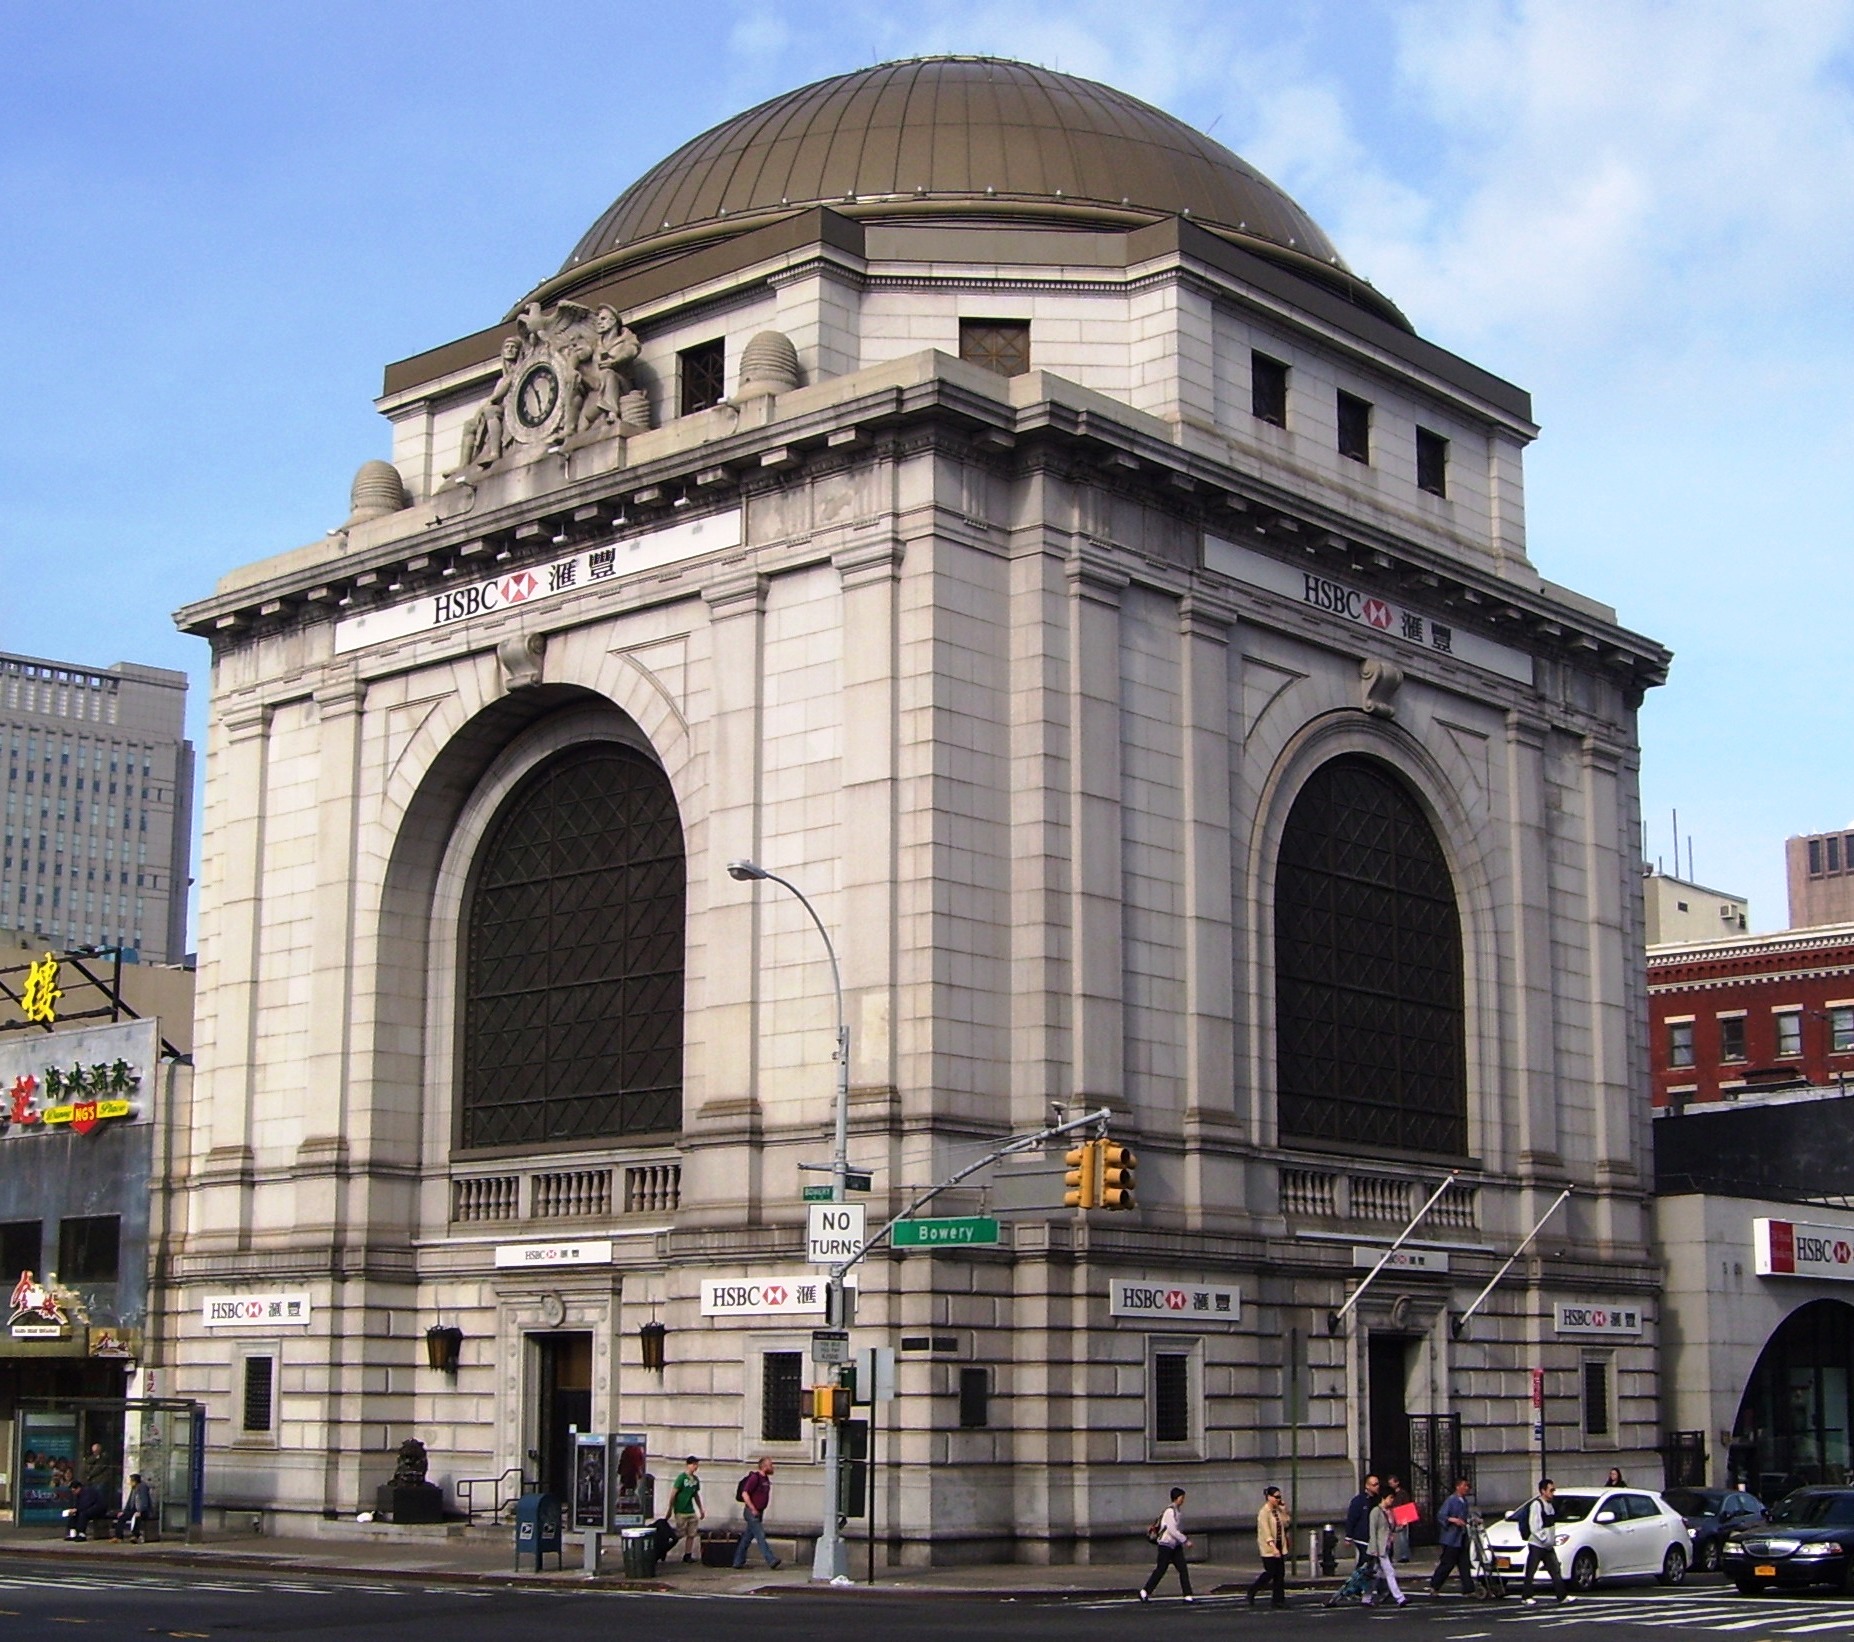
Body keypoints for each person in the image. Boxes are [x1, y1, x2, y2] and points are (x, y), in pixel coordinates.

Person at [1517, 1478, 1570, 1605]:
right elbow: (1535, 1526)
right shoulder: (1537, 1505)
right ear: (1543, 1491)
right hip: (1537, 1544)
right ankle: (1526, 1596)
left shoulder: (1550, 1505)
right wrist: (1544, 1539)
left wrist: (1550, 1541)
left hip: (1547, 1545)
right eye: (1550, 1490)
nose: (1553, 1493)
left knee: (1555, 1570)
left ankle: (1562, 1596)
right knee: (1531, 1571)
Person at [1139, 1486, 1193, 1602]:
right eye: (1181, 1497)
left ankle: (1188, 1595)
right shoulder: (1170, 1511)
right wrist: (1185, 1540)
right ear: (1176, 1498)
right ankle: (1145, 1591)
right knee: (1161, 1569)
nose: (1183, 1500)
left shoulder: (1178, 1511)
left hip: (1175, 1545)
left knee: (1183, 1569)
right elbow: (1172, 1530)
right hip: (1166, 1545)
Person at [731, 1456, 780, 1570]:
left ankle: (738, 1561)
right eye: (770, 1464)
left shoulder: (766, 1479)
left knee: (747, 1537)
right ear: (764, 1466)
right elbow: (745, 1493)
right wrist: (753, 1508)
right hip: (752, 1512)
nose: (773, 1467)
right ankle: (771, 1559)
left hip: (759, 1511)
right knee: (760, 1535)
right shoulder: (755, 1477)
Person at [1363, 1485, 1408, 1608]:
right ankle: (1400, 1598)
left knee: (1376, 1575)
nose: (1392, 1500)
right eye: (1390, 1498)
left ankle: (1366, 1597)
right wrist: (1374, 1550)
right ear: (1384, 1498)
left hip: (1386, 1547)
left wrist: (1402, 1525)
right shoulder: (1375, 1512)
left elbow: (1392, 1528)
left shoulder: (1390, 1512)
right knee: (1390, 1572)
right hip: (1379, 1549)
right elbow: (1372, 1532)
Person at [1428, 1478, 1474, 1596]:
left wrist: (1472, 1520)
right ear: (1458, 1487)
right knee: (1447, 1563)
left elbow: (1466, 1516)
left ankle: (1468, 1588)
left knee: (1464, 1563)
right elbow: (1442, 1515)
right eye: (1464, 1486)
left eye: (1468, 1486)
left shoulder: (1464, 1501)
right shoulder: (1451, 1500)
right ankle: (1435, 1585)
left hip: (1461, 1536)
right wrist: (1453, 1520)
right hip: (1451, 1538)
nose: (1467, 1488)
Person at [1247, 1484, 1291, 1608]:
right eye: (1276, 1497)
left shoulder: (1277, 1511)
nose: (1278, 1499)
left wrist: (1284, 1510)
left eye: (1280, 1497)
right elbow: (1265, 1532)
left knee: (1280, 1574)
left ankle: (1278, 1600)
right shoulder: (1263, 1513)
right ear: (1269, 1497)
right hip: (1269, 1548)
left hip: (1279, 1545)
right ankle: (1253, 1590)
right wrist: (1273, 1548)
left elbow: (1286, 1522)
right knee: (1270, 1572)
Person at [669, 1456, 704, 1562]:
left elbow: (696, 1495)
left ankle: (688, 1554)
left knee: (691, 1533)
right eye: (693, 1465)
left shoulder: (695, 1480)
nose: (695, 1467)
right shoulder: (681, 1478)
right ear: (688, 1465)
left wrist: (701, 1509)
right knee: (679, 1533)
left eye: (696, 1465)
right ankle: (665, 1547)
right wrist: (670, 1509)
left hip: (690, 1510)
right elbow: (673, 1493)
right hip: (681, 1510)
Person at [1344, 1472, 1380, 1572]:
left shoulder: (1379, 1500)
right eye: (1374, 1485)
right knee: (1365, 1559)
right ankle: (1357, 1580)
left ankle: (1367, 1582)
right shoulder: (1359, 1501)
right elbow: (1352, 1518)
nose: (1377, 1487)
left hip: (1375, 1536)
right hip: (1362, 1536)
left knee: (1372, 1562)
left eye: (1377, 1484)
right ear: (1367, 1486)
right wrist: (1348, 1537)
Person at [114, 1473, 154, 1542]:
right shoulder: (133, 1489)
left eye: (130, 1481)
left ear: (134, 1481)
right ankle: (119, 1537)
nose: (129, 1482)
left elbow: (144, 1501)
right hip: (134, 1510)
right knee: (122, 1517)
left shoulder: (142, 1488)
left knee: (137, 1518)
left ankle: (136, 1535)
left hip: (144, 1511)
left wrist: (140, 1511)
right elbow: (129, 1503)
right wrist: (123, 1512)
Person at [1387, 1473, 1415, 1562]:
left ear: (1397, 1483)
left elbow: (1406, 1506)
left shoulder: (1402, 1493)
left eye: (1392, 1483)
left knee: (1403, 1537)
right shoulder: (1392, 1494)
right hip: (1394, 1516)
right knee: (1396, 1537)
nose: (1390, 1485)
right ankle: (1398, 1555)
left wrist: (1405, 1519)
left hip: (1402, 1516)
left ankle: (1404, 1555)